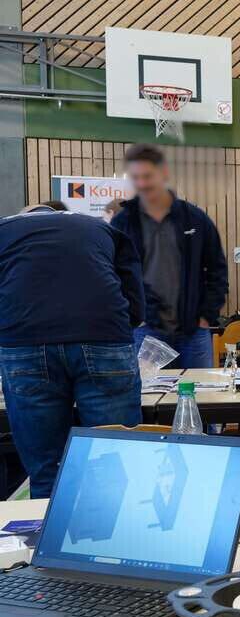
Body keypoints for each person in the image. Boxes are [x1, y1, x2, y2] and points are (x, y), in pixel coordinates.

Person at [0, 202, 145, 498]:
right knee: (114, 460)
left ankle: (48, 540)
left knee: (46, 468)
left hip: (25, 341)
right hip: (103, 336)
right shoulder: (101, 228)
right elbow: (135, 299)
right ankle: (118, 540)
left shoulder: (4, 230)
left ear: (24, 214)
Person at [110, 144, 228, 369]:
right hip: (145, 331)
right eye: (136, 177)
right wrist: (132, 316)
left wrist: (206, 316)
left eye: (147, 176)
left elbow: (217, 270)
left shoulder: (195, 219)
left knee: (201, 398)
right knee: (149, 399)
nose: (142, 183)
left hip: (194, 333)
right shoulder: (122, 223)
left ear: (164, 173)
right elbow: (111, 274)